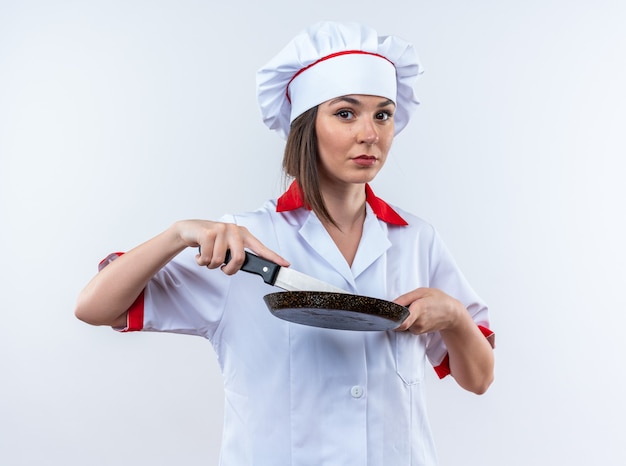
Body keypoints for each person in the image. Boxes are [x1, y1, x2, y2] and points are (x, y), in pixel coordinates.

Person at [75, 21, 495, 465]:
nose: (369, 133)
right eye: (346, 113)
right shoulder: (243, 243)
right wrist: (178, 234)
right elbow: (94, 308)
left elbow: (479, 379)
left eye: (383, 114)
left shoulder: (416, 239)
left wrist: (454, 317)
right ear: (306, 126)